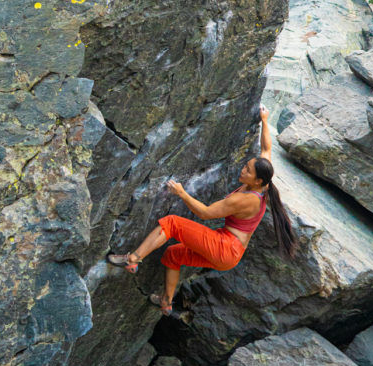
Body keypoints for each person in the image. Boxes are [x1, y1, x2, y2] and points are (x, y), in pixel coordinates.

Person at [107, 104, 298, 316]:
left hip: (225, 247)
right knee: (173, 254)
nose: (243, 169)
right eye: (246, 165)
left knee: (172, 224)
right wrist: (264, 120)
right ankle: (166, 302)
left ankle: (132, 259)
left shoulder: (245, 201)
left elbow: (205, 213)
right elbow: (266, 149)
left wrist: (182, 193)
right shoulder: (264, 184)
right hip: (230, 255)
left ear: (257, 180)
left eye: (247, 170)